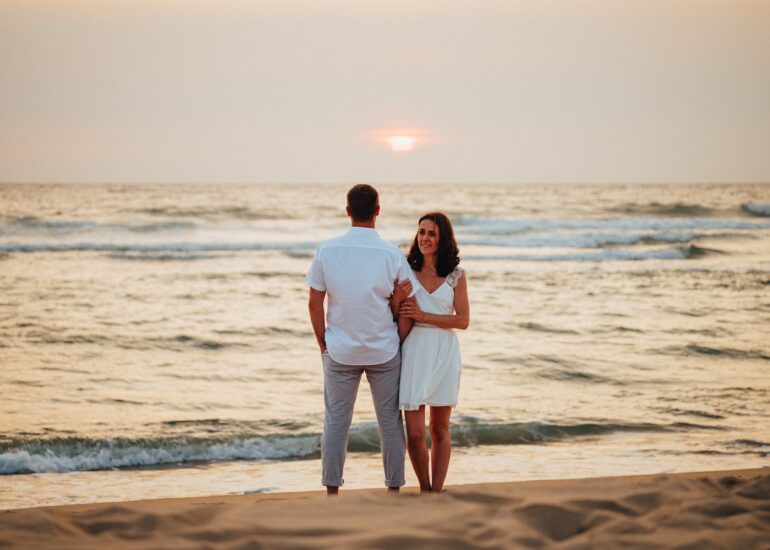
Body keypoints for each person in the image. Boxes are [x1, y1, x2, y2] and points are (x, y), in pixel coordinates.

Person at [306, 184, 416, 495]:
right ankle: (394, 488)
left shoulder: (327, 250)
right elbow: (408, 305)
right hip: (384, 350)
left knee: (336, 423)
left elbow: (315, 302)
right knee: (390, 423)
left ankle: (332, 490)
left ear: (348, 211)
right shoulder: (392, 254)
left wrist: (322, 343)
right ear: (378, 211)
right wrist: (398, 339)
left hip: (340, 350)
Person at [391, 212, 470, 493]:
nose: (424, 238)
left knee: (439, 429)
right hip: (415, 349)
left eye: (431, 233)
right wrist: (397, 301)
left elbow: (462, 320)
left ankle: (436, 491)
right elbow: (393, 314)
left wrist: (425, 315)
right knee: (414, 433)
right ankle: (424, 488)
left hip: (444, 351)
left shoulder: (456, 276)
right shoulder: (405, 271)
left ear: (443, 238)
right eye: (421, 232)